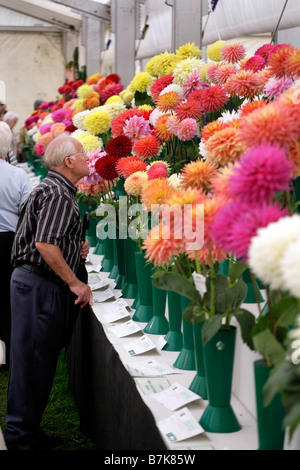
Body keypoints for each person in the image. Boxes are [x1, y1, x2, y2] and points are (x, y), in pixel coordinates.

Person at [4, 134, 93, 451]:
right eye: (83, 154)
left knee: (38, 362)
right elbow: (44, 244)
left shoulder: (57, 189)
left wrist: (75, 246)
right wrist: (75, 282)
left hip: (36, 284)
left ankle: (28, 430)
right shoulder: (57, 192)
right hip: (38, 285)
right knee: (30, 362)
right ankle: (20, 437)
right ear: (69, 161)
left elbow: (49, 237)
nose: (87, 158)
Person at [0, 122, 32, 370]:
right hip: (10, 241)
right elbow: (27, 214)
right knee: (9, 299)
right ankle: (11, 356)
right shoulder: (19, 175)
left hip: (9, 239)